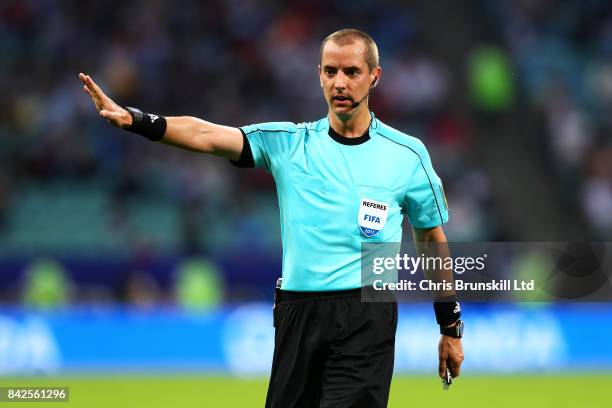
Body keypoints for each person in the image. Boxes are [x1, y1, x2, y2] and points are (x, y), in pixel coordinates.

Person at [79, 28, 464, 408]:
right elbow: (206, 135)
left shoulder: (406, 155)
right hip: (299, 313)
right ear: (318, 75)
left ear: (374, 77)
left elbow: (431, 239)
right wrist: (138, 120)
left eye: (351, 72)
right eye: (330, 72)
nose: (339, 83)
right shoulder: (288, 143)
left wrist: (449, 325)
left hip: (368, 314)